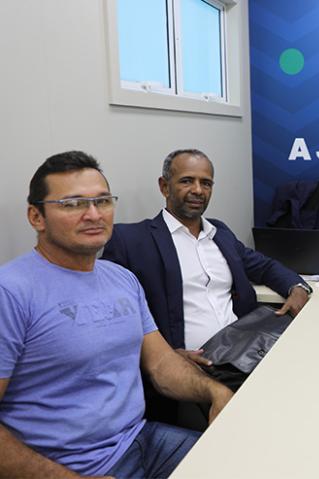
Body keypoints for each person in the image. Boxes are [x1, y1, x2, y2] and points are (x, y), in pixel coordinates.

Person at [0, 151, 233, 478]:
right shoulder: (10, 292)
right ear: (36, 217)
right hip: (68, 467)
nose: (93, 214)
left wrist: (215, 392)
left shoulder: (121, 278)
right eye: (73, 204)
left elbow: (162, 365)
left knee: (248, 459)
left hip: (141, 440)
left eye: (102, 201)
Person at [102, 149, 310, 406]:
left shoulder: (220, 233)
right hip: (195, 367)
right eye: (187, 181)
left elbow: (264, 266)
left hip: (245, 352)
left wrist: (297, 287)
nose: (198, 190)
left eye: (206, 183)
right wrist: (163, 356)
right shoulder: (131, 240)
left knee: (312, 375)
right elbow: (111, 318)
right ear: (164, 186)